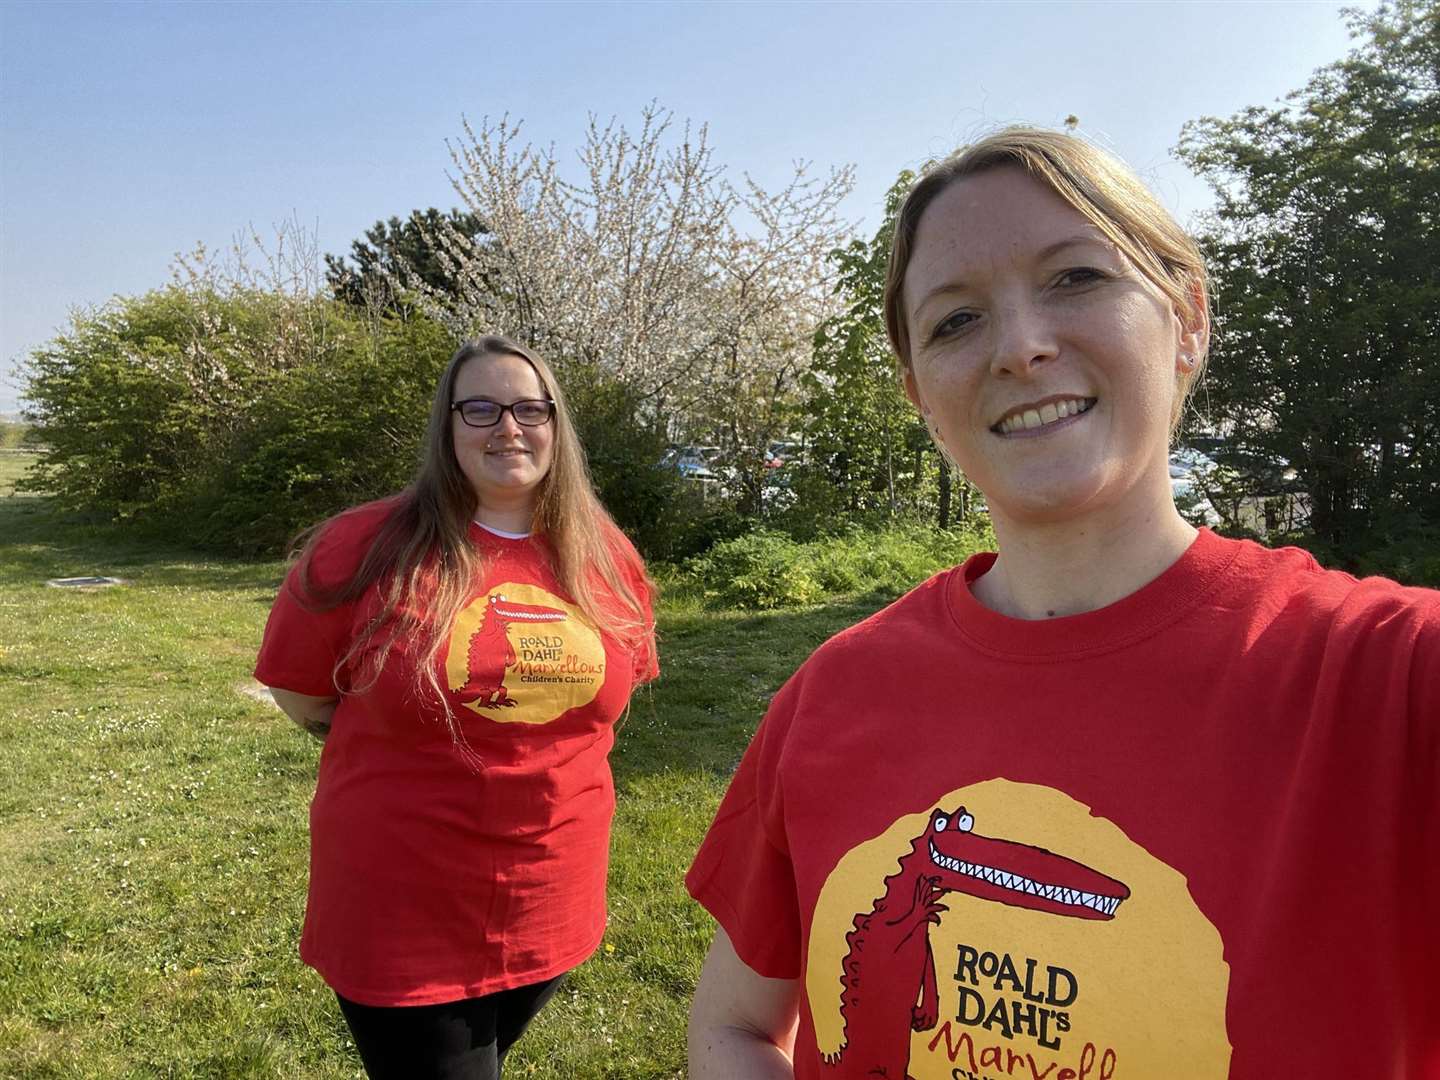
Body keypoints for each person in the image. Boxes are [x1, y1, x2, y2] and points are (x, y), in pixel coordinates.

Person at [685, 128, 1439, 1079]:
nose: (1022, 347)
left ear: (1188, 319)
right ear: (922, 395)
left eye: (1076, 277)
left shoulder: (1394, 675)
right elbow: (734, 1027)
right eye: (955, 320)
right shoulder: (834, 693)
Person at [255, 335, 658, 1080]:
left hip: (551, 897)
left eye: (530, 408)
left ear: (555, 425)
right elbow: (299, 690)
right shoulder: (365, 547)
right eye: (481, 408)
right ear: (446, 428)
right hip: (405, 904)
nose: (509, 427)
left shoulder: (605, 554)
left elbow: (609, 692)